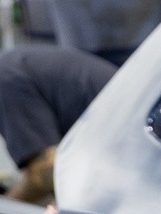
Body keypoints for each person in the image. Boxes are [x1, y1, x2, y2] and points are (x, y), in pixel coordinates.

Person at [0, 45, 116, 205]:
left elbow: (46, 173)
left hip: (126, 154)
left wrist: (7, 210)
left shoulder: (5, 79)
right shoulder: (12, 64)